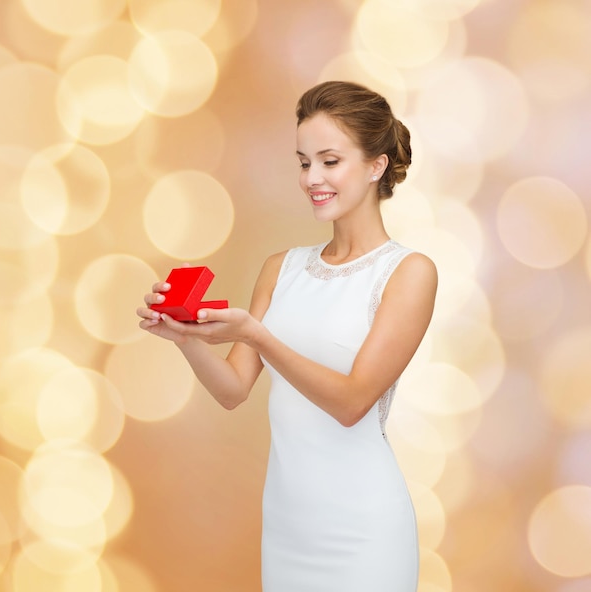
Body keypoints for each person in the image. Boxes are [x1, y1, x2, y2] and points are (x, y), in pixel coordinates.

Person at [137, 80, 438, 592]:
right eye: (304, 163)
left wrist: (258, 335)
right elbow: (233, 391)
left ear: (376, 166)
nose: (312, 178)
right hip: (287, 529)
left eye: (329, 161)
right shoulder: (283, 268)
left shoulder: (408, 273)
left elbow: (351, 403)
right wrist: (185, 337)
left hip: (364, 532)